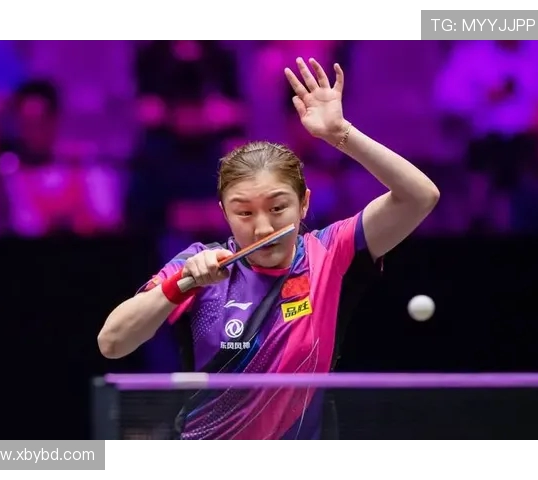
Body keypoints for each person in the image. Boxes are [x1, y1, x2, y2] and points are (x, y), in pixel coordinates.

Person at [98, 57, 440, 439]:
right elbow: (112, 343)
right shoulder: (198, 265)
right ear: (224, 213)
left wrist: (341, 133)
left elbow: (420, 196)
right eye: (244, 212)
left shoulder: (329, 254)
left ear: (304, 204)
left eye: (278, 208)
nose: (263, 227)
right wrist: (180, 285)